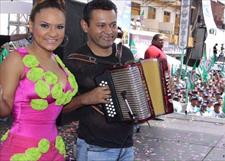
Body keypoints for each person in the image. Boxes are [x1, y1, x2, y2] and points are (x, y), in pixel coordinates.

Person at [0, 1, 78, 161]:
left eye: (59, 27)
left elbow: (59, 105)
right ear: (31, 25)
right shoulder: (16, 60)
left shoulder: (58, 61)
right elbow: (4, 110)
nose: (53, 33)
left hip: (54, 149)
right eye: (45, 25)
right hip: (22, 149)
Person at [62, 0, 135, 160]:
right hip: (94, 148)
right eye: (101, 25)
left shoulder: (126, 54)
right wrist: (85, 99)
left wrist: (163, 87)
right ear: (85, 25)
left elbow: (136, 96)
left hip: (127, 147)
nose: (109, 31)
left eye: (113, 25)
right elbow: (59, 109)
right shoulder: (74, 62)